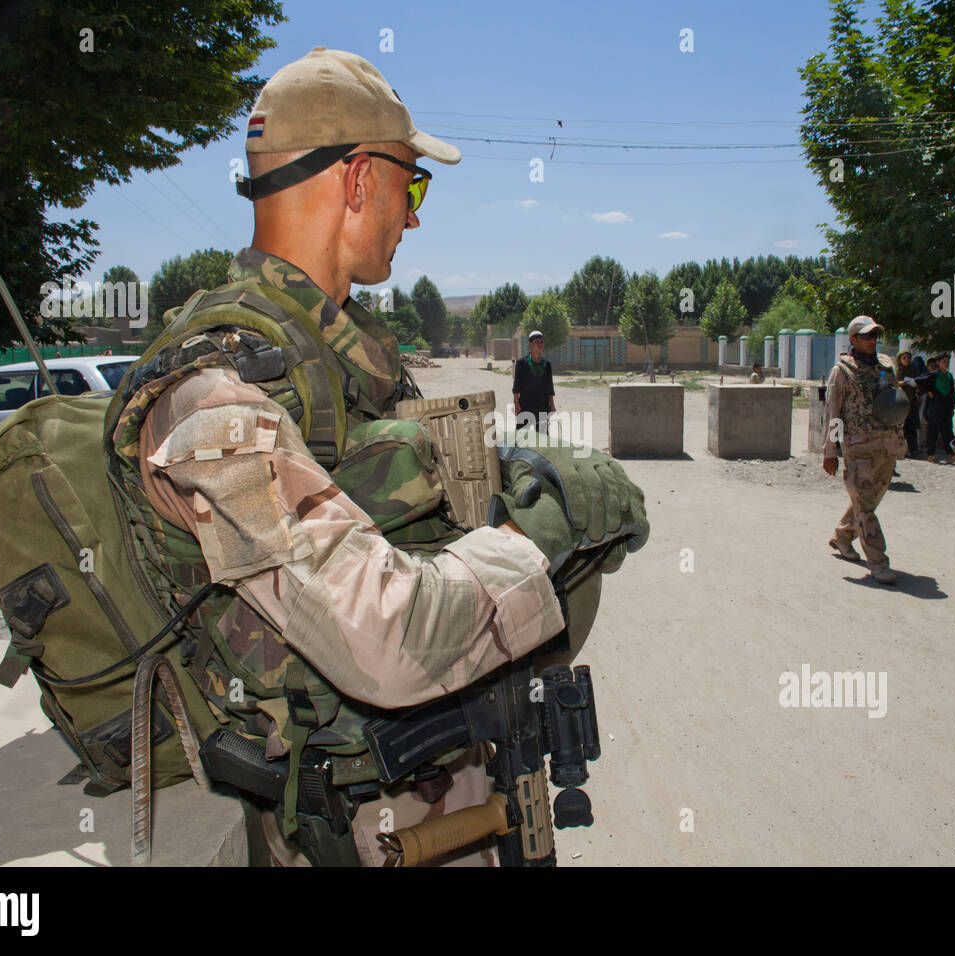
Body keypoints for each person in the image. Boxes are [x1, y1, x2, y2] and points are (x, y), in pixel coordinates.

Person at [107, 48, 648, 866]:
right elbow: (385, 636)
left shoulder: (334, 354)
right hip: (353, 824)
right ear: (358, 180)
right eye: (412, 186)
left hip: (438, 780)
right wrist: (549, 530)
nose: (416, 216)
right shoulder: (210, 394)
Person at [822, 315, 907, 585]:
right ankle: (878, 563)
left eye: (875, 336)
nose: (873, 341)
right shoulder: (842, 371)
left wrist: (901, 439)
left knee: (868, 500)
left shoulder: (887, 365)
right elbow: (833, 413)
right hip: (858, 447)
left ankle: (843, 536)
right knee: (866, 505)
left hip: (886, 444)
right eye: (867, 336)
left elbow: (895, 402)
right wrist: (830, 451)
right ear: (853, 339)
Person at [512, 329, 555, 432]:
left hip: (543, 405)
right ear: (530, 343)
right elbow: (517, 385)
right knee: (521, 436)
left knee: (543, 438)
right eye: (537, 342)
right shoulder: (521, 363)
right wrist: (516, 403)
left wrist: (552, 404)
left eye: (541, 342)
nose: (540, 344)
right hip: (526, 405)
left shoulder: (547, 364)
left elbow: (549, 386)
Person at [923, 352, 955, 461]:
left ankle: (950, 454)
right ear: (938, 362)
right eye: (944, 361)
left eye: (947, 362)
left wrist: (952, 406)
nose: (946, 364)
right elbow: (924, 386)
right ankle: (930, 454)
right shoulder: (933, 375)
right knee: (933, 430)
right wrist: (932, 395)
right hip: (935, 407)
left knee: (947, 431)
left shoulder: (949, 376)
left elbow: (951, 391)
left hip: (946, 407)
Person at [895, 350, 921, 457]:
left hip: (911, 401)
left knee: (912, 426)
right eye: (904, 358)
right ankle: (900, 450)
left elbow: (917, 382)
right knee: (900, 427)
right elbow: (894, 382)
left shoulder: (912, 370)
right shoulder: (897, 371)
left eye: (908, 358)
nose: (906, 360)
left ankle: (913, 450)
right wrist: (902, 383)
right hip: (900, 402)